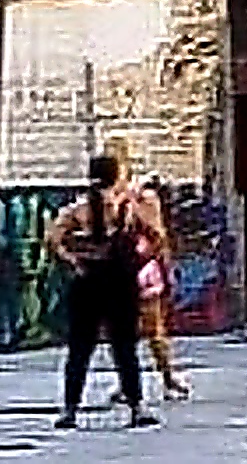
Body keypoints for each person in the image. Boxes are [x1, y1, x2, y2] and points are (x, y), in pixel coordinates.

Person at [46, 154, 162, 430]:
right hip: (121, 280)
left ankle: (70, 410)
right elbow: (156, 236)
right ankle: (137, 407)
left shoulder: (77, 208)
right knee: (125, 346)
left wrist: (74, 262)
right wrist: (138, 261)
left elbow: (53, 240)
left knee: (80, 347)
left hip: (87, 281)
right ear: (116, 175)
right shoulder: (128, 208)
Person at [102, 139, 193, 402]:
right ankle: (153, 380)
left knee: (137, 330)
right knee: (139, 330)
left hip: (128, 269)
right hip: (129, 268)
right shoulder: (122, 198)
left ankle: (152, 379)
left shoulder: (130, 198)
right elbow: (157, 236)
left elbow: (157, 235)